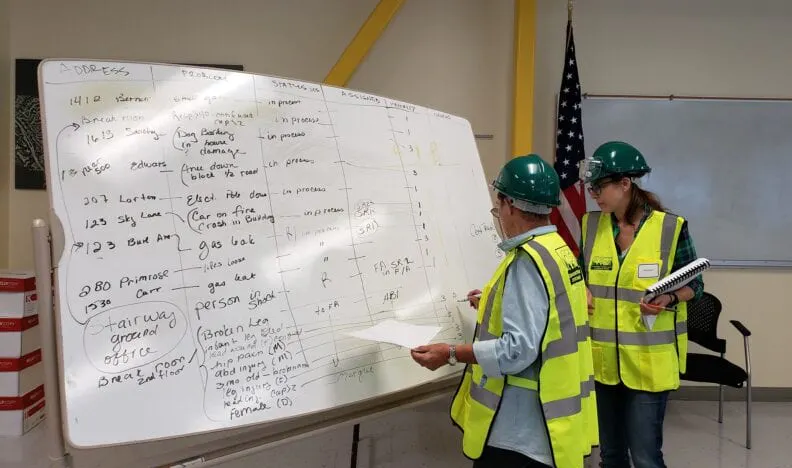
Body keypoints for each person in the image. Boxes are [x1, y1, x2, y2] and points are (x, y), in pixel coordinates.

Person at [410, 154, 597, 468]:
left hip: (519, 429)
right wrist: (494, 302)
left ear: (510, 204)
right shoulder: (558, 251)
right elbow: (552, 315)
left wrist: (451, 353)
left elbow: (517, 350)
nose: (499, 216)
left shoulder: (527, 261)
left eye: (499, 207)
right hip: (550, 421)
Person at [578, 141, 704, 468]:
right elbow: (578, 275)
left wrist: (671, 297)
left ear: (625, 184)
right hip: (603, 364)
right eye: (591, 187)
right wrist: (582, 290)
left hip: (648, 366)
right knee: (611, 456)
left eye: (600, 186)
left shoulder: (670, 228)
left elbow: (696, 284)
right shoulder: (590, 226)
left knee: (646, 458)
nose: (594, 193)